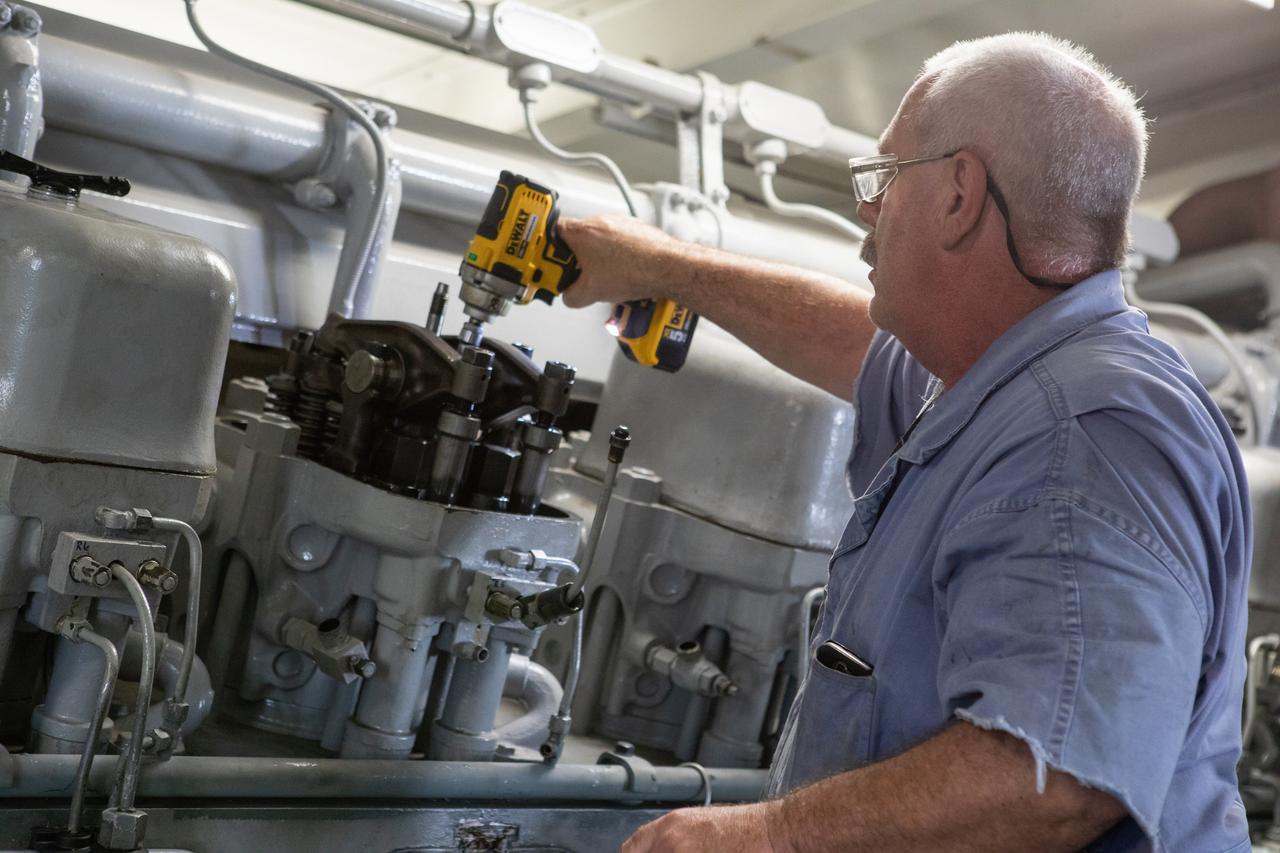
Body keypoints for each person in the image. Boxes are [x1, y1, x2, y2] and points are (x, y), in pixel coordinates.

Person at [557, 32, 1251, 853]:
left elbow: (1054, 781)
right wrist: (664, 267)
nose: (866, 207)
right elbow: (852, 339)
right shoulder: (1001, 380)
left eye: (884, 178)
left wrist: (767, 836)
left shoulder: (1087, 433)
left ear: (960, 194)